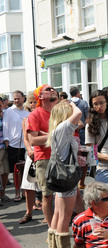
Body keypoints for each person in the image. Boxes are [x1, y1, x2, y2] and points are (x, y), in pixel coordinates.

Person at [44, 100, 82, 248]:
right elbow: (79, 114)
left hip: (61, 175)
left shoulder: (58, 130)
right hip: (66, 175)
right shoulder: (62, 129)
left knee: (59, 214)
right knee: (65, 216)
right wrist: (72, 105)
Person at [27, 86, 59, 234]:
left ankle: (66, 226)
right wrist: (54, 134)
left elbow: (76, 126)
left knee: (67, 194)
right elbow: (33, 140)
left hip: (62, 157)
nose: (53, 90)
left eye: (53, 89)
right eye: (48, 89)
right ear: (40, 97)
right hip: (44, 159)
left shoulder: (59, 111)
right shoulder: (35, 114)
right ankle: (52, 229)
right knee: (47, 196)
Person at [2, 90, 29, 202]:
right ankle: (17, 192)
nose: (17, 100)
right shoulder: (9, 111)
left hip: (25, 145)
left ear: (23, 98)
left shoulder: (28, 113)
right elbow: (5, 126)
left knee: (25, 170)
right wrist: (7, 141)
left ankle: (24, 191)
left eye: (18, 98)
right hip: (13, 145)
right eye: (15, 98)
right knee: (16, 171)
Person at [18, 93, 40, 224]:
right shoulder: (25, 119)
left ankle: (49, 214)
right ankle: (29, 212)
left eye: (35, 102)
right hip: (31, 155)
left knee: (47, 186)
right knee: (28, 185)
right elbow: (26, 139)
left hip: (44, 154)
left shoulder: (46, 116)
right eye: (31, 102)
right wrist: (30, 150)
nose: (33, 105)